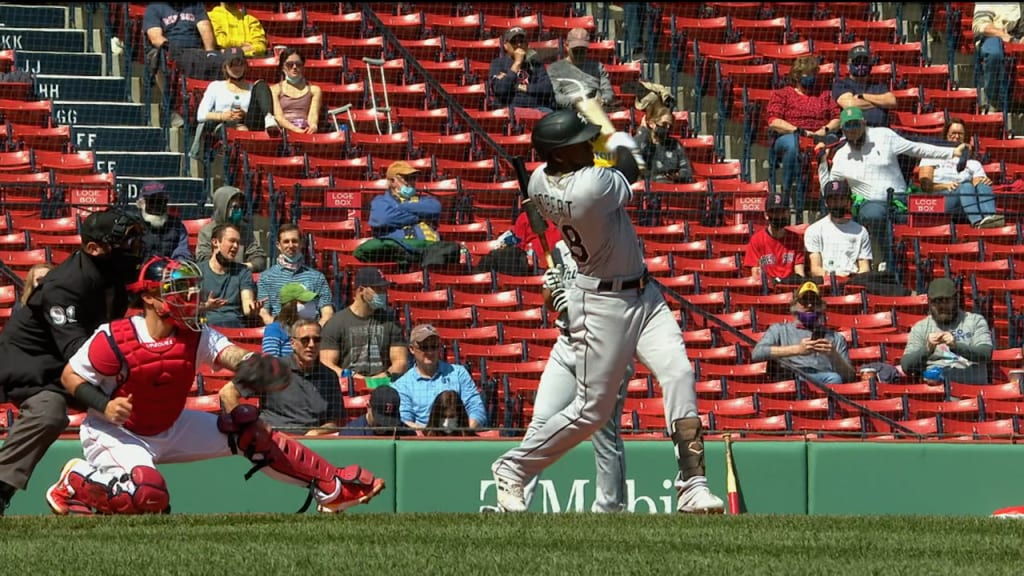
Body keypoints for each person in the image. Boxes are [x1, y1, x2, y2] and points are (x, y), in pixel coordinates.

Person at [490, 109, 724, 514]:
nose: (587, 144)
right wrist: (613, 137)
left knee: (679, 372)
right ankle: (513, 467)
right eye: (579, 142)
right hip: (600, 304)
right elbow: (631, 166)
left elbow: (592, 164)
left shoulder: (540, 180)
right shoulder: (589, 188)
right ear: (560, 155)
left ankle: (692, 482)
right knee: (591, 412)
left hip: (643, 294)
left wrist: (596, 138)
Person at [43, 256, 385, 516]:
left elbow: (233, 355)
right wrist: (103, 405)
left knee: (248, 430)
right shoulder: (116, 337)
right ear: (149, 298)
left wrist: (255, 369)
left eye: (190, 288)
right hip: (116, 430)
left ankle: (333, 486)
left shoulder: (195, 334)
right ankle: (76, 480)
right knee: (150, 496)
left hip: (171, 423)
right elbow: (70, 378)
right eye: (177, 290)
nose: (189, 295)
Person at [0, 209, 145, 515]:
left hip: (68, 363)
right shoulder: (64, 285)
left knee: (137, 408)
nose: (133, 247)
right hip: (32, 365)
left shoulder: (112, 277)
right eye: (125, 240)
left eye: (135, 239)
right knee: (50, 413)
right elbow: (79, 353)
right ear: (94, 249)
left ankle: (99, 488)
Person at [517, 239, 629, 513]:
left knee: (604, 433)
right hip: (566, 344)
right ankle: (515, 502)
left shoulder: (615, 244)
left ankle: (610, 509)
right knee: (540, 423)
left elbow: (626, 298)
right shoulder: (558, 248)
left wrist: (580, 299)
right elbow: (549, 301)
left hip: (604, 347)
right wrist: (551, 288)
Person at [818, 106, 971, 272]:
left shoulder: (884, 135)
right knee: (873, 214)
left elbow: (916, 148)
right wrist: (822, 164)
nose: (853, 130)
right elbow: (830, 190)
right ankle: (887, 264)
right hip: (872, 205)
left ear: (864, 123)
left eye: (856, 124)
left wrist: (952, 152)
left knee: (946, 205)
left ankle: (941, 261)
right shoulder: (841, 156)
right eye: (848, 126)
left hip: (902, 201)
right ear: (842, 129)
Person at [220, 318, 344, 435]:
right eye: (305, 340)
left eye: (316, 340)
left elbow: (334, 422)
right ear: (293, 343)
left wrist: (317, 432)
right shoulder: (272, 367)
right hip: (273, 441)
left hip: (312, 443)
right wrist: (246, 430)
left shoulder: (329, 376)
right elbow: (228, 393)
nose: (311, 345)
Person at [766, 55, 840, 206]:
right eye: (806, 74)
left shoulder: (825, 94)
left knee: (835, 142)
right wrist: (799, 131)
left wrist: (824, 130)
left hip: (820, 136)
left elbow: (837, 118)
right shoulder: (783, 94)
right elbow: (773, 121)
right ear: (797, 76)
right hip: (791, 135)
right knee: (794, 145)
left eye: (813, 74)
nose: (810, 78)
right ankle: (787, 192)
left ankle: (831, 195)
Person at [751, 281, 857, 385]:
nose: (810, 305)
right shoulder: (779, 330)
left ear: (821, 305)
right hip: (793, 376)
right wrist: (797, 349)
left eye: (814, 300)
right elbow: (757, 353)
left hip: (824, 378)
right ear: (795, 304)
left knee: (834, 378)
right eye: (804, 300)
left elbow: (850, 377)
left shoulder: (836, 337)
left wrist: (834, 355)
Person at [392, 324, 488, 429]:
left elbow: (477, 410)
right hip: (424, 441)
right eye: (424, 347)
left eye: (434, 346)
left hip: (460, 438)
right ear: (412, 349)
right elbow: (405, 422)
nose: (430, 352)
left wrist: (461, 434)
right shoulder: (402, 385)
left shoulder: (459, 373)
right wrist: (435, 436)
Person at [901, 277, 994, 385]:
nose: (942, 306)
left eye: (946, 300)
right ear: (929, 302)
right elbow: (906, 365)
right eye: (937, 302)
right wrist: (927, 349)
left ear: (956, 299)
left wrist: (956, 347)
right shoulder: (921, 327)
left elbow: (986, 354)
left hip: (972, 391)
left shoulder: (974, 321)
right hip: (937, 392)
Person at [319, 267, 407, 382]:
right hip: (349, 385)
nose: (383, 294)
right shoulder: (336, 323)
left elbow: (401, 362)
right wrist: (353, 378)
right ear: (361, 290)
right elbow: (327, 363)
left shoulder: (390, 321)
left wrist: (380, 378)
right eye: (378, 289)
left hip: (383, 383)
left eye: (384, 289)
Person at [917, 118, 1005, 229]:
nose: (957, 137)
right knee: (966, 185)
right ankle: (977, 222)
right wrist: (945, 186)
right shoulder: (932, 156)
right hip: (941, 199)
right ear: (946, 135)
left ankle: (990, 219)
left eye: (960, 134)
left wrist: (981, 180)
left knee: (983, 184)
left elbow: (979, 182)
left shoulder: (973, 163)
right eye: (953, 133)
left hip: (966, 202)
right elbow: (925, 186)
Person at [257, 223, 333, 326]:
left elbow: (327, 311)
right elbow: (264, 312)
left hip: (309, 333)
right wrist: (278, 329)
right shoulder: (266, 277)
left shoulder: (317, 277)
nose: (291, 245)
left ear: (301, 243)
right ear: (278, 245)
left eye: (295, 241)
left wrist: (315, 331)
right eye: (286, 242)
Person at [193, 46, 275, 141]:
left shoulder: (254, 89)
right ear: (225, 66)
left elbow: (254, 116)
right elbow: (201, 115)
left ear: (245, 65)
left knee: (261, 84)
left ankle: (269, 118)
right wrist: (222, 116)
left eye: (240, 64)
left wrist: (245, 114)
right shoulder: (215, 86)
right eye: (232, 64)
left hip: (250, 125)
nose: (237, 68)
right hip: (224, 127)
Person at [804, 180, 873, 280]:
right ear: (826, 203)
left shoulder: (861, 231)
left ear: (848, 202)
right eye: (833, 200)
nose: (838, 204)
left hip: (853, 282)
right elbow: (815, 269)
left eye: (842, 199)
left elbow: (864, 267)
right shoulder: (814, 230)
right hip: (826, 281)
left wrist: (852, 281)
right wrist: (835, 279)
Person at [197, 223, 260, 328]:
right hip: (207, 329)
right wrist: (206, 306)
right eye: (231, 241)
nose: (236, 246)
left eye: (238, 243)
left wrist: (253, 309)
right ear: (215, 242)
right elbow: (188, 309)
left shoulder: (243, 272)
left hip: (235, 326)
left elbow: (247, 305)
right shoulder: (198, 271)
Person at [368, 161, 443, 248]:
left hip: (430, 249)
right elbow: (383, 219)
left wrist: (400, 207)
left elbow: (435, 208)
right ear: (392, 181)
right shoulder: (381, 201)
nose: (411, 182)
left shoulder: (424, 199)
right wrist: (419, 217)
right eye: (407, 178)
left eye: (414, 178)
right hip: (400, 250)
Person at [196, 185, 267, 272]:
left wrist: (241, 268)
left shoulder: (244, 229)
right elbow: (203, 259)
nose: (239, 211)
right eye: (235, 207)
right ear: (223, 207)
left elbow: (259, 258)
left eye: (241, 207)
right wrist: (226, 266)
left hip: (240, 276)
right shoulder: (207, 232)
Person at [743, 192, 806, 285]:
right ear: (766, 215)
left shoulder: (795, 239)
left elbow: (800, 273)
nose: (779, 216)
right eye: (775, 212)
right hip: (767, 290)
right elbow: (755, 276)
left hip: (790, 289)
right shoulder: (757, 240)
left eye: (782, 212)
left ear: (788, 213)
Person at [488, 27, 555, 112]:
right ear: (505, 45)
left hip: (536, 108)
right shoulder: (498, 63)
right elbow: (500, 90)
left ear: (527, 44)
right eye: (514, 42)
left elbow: (547, 89)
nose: (519, 45)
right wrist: (517, 64)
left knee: (551, 115)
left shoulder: (535, 63)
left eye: (521, 41)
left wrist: (519, 87)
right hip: (509, 109)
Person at [548, 28, 614, 111]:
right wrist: (573, 102)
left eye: (582, 50)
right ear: (567, 46)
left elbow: (607, 90)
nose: (579, 53)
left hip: (597, 109)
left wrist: (603, 100)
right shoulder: (555, 69)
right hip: (570, 112)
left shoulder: (598, 67)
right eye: (575, 50)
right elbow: (555, 94)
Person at [973, 3, 1022, 113]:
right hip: (992, 37)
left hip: (1017, 36)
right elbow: (981, 25)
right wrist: (1006, 37)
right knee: (994, 54)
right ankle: (993, 102)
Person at [832, 45, 896, 128]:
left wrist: (863, 96)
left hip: (882, 132)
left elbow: (892, 101)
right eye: (857, 61)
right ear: (848, 65)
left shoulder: (878, 85)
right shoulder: (841, 83)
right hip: (855, 132)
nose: (861, 65)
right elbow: (850, 105)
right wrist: (880, 103)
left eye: (864, 61)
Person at [634, 99, 693, 184]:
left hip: (672, 189)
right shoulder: (643, 142)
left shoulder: (675, 145)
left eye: (670, 126)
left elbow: (687, 170)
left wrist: (676, 175)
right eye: (664, 124)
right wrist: (643, 131)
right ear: (651, 123)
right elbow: (634, 156)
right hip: (648, 189)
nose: (668, 128)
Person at [132, 181, 192, 262]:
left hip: (168, 271)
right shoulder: (133, 225)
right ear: (141, 203)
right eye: (152, 201)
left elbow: (182, 251)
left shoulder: (176, 225)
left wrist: (178, 264)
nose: (156, 206)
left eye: (160, 201)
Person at [269, 48, 322, 135]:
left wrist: (313, 126)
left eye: (298, 64)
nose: (294, 67)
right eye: (290, 64)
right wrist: (297, 130)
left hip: (306, 131)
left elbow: (313, 115)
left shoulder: (315, 90)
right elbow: (279, 118)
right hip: (284, 132)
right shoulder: (275, 89)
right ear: (283, 67)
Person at [261, 282, 318, 358]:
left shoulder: (312, 329)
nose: (310, 305)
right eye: (304, 302)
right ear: (291, 305)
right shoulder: (274, 329)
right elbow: (270, 362)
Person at [340, 385, 416, 437]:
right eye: (379, 421)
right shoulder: (350, 434)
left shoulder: (406, 434)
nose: (383, 426)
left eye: (390, 421)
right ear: (368, 407)